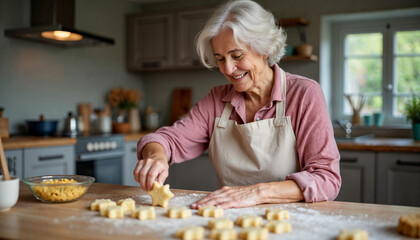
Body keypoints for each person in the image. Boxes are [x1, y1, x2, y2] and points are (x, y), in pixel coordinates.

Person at [134, 0, 341, 209]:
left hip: (290, 222)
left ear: (265, 49)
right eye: (220, 59)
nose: (228, 69)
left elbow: (326, 178)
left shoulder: (304, 94)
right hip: (228, 223)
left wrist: (258, 192)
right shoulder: (217, 100)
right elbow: (168, 140)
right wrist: (156, 157)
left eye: (236, 55)